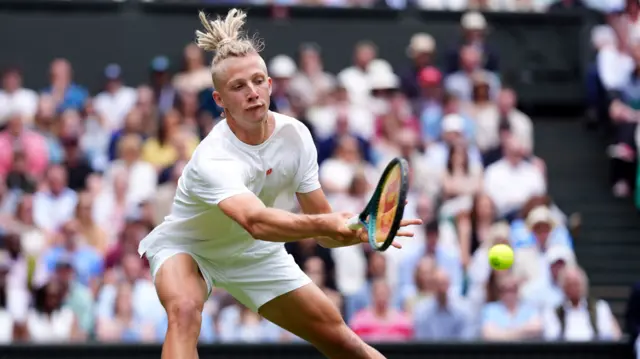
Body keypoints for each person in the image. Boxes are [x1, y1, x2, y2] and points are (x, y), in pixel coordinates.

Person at [137, 9, 421, 359]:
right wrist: (327, 223)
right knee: (183, 311)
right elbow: (256, 222)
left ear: (270, 85)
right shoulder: (213, 156)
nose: (252, 92)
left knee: (344, 342)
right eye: (238, 86)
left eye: (258, 81)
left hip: (255, 254)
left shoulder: (296, 135)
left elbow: (325, 233)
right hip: (189, 247)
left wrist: (358, 230)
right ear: (219, 100)